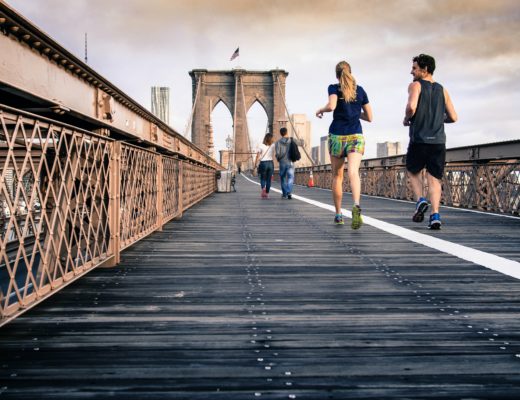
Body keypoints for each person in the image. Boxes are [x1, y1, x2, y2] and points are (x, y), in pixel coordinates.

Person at [403, 54, 457, 229]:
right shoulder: (443, 90)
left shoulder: (416, 85)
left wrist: (407, 119)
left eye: (414, 68)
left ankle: (420, 200)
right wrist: (438, 119)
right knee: (434, 180)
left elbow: (411, 107)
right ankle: (435, 215)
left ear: (424, 70)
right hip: (438, 142)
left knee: (413, 171)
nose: (411, 71)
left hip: (419, 139)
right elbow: (454, 117)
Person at [316, 60, 373, 228]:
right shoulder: (360, 91)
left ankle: (339, 214)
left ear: (336, 75)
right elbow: (370, 117)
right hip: (355, 135)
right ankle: (356, 206)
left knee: (337, 176)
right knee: (354, 173)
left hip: (337, 136)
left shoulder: (333, 88)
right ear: (350, 72)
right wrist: (356, 113)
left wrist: (321, 110)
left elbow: (332, 105)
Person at [275, 127, 302, 199]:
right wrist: (300, 137)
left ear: (281, 134)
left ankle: (284, 194)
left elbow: (277, 154)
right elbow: (302, 143)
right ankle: (289, 192)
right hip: (291, 162)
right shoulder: (292, 140)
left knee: (283, 178)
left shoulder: (278, 142)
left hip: (282, 162)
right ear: (287, 132)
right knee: (290, 177)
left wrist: (279, 159)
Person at [255, 132, 275, 199]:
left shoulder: (261, 145)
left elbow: (257, 155)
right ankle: (267, 193)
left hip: (263, 163)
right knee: (269, 179)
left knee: (263, 178)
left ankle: (263, 188)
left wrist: (255, 164)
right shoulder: (273, 145)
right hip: (270, 163)